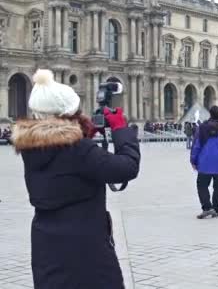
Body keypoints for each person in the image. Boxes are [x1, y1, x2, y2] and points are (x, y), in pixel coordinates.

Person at [12, 69, 140, 288]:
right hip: (85, 249)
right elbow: (127, 168)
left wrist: (84, 137)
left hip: (47, 246)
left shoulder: (32, 147)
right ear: (70, 115)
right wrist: (121, 130)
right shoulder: (80, 151)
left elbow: (64, 159)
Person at [191, 106, 218, 219]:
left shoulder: (203, 128)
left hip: (204, 162)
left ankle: (207, 208)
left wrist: (193, 160)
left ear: (210, 114)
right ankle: (217, 209)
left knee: (202, 185)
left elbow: (197, 145)